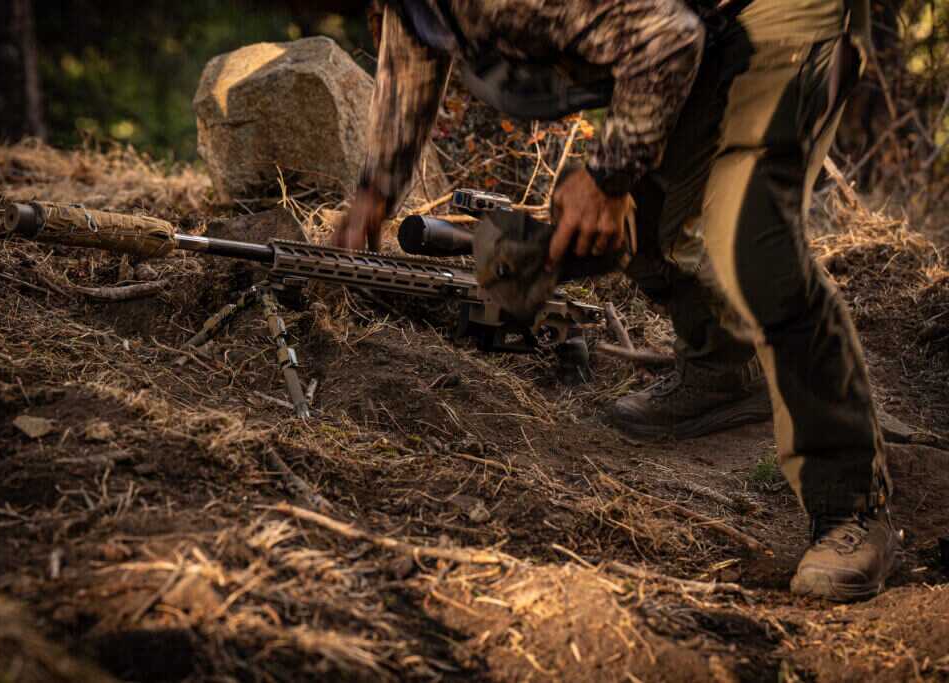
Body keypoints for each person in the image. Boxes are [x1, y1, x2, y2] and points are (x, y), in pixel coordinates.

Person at [332, 0, 900, 601]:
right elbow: (416, 45)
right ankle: (723, 371)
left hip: (773, 16)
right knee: (646, 230)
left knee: (750, 241)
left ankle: (851, 507)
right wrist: (376, 190)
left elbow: (669, 39)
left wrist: (607, 175)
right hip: (702, 29)